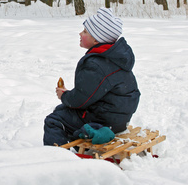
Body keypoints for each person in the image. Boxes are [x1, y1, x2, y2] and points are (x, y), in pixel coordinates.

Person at [43, 8, 140, 146]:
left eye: (85, 32)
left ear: (96, 39)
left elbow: (81, 99)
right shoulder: (114, 57)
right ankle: (80, 140)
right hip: (119, 119)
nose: (80, 33)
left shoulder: (96, 64)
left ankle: (57, 158)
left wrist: (64, 96)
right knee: (63, 111)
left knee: (55, 120)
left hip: (104, 120)